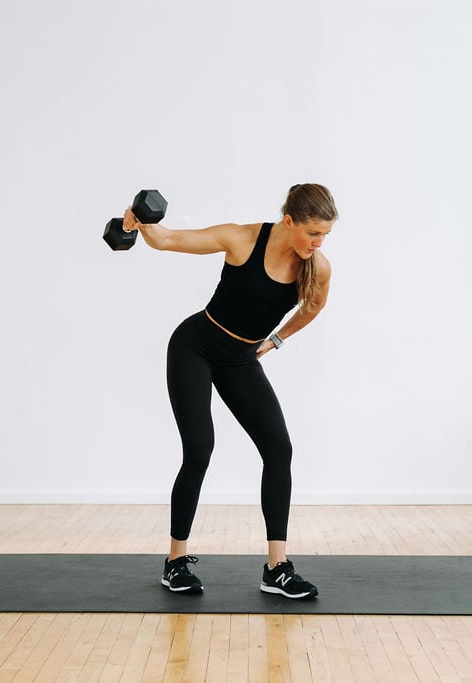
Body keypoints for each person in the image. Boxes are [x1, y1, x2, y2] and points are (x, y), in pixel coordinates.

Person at [122, 183, 337, 599]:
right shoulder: (241, 239)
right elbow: (166, 240)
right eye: (313, 232)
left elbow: (313, 306)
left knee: (279, 449)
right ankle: (175, 563)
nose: (319, 242)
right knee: (200, 449)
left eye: (325, 234)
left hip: (240, 359)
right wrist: (141, 220)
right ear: (289, 221)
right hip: (195, 348)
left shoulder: (318, 266)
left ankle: (277, 569)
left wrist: (276, 339)